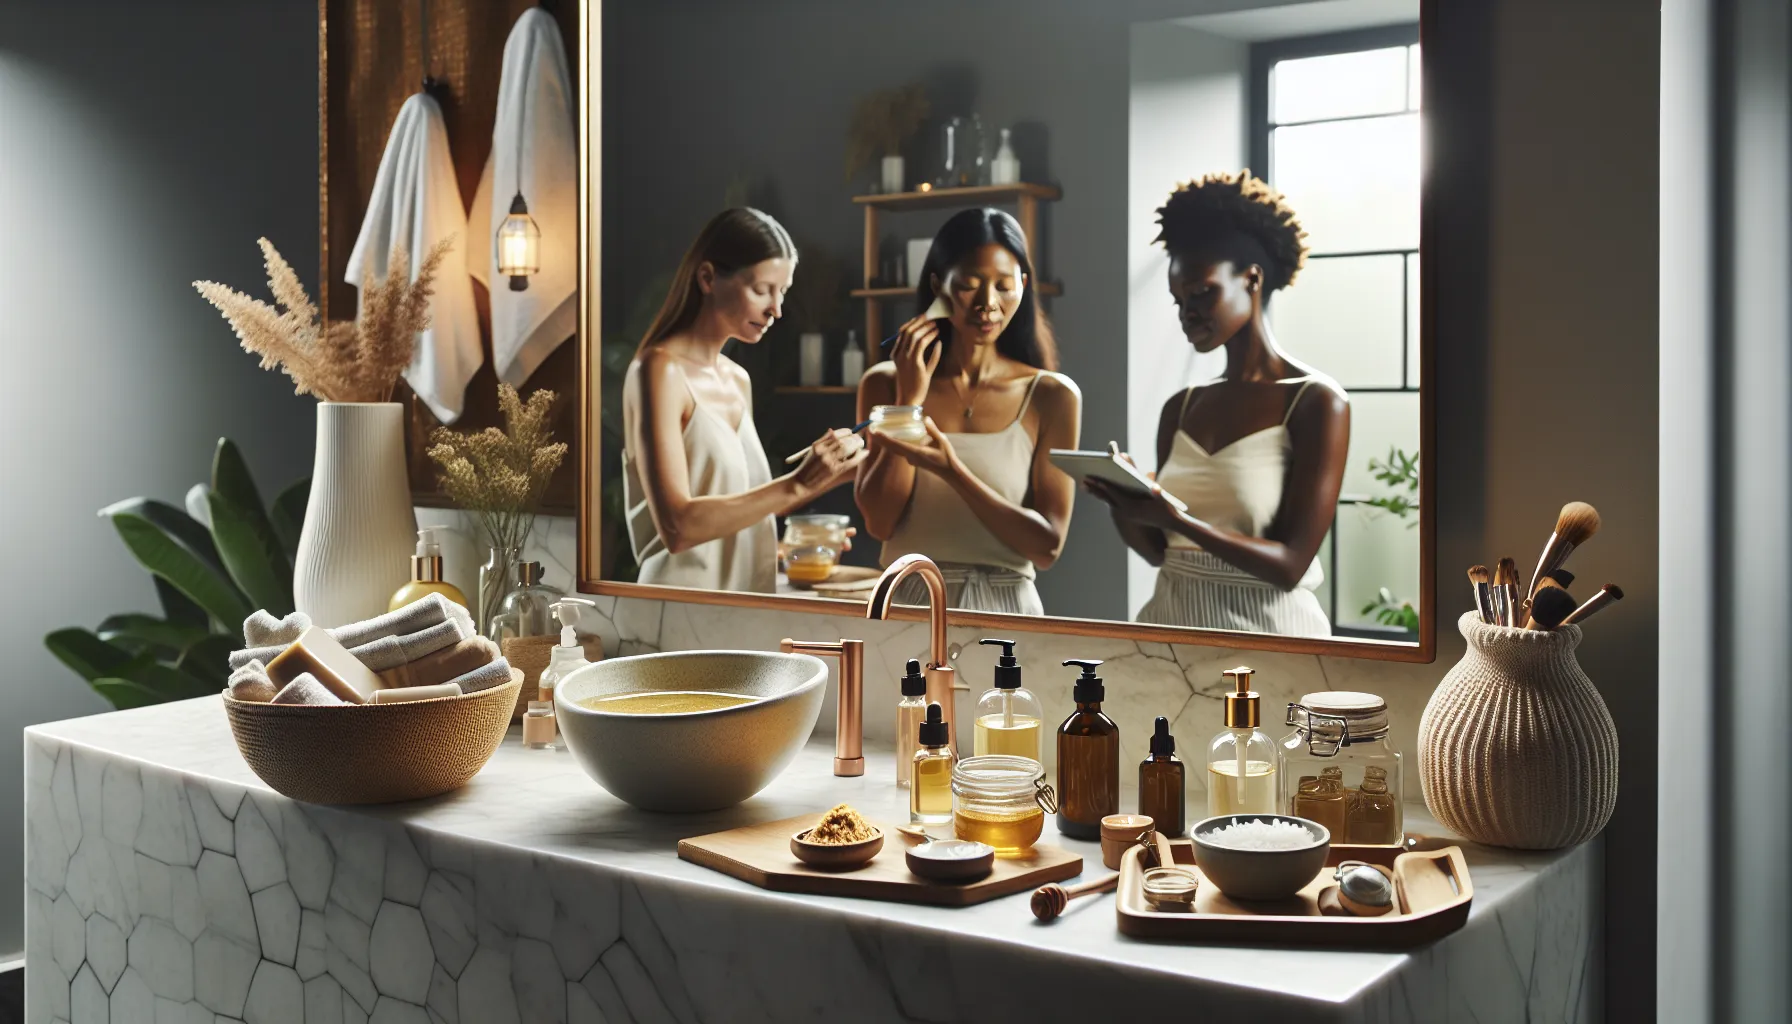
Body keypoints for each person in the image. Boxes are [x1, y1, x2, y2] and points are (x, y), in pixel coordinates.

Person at [1087, 172, 1348, 636]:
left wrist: (1177, 518)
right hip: (1169, 635)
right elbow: (1159, 551)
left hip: (1273, 641)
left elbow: (1290, 565)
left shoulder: (1316, 402)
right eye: (1178, 300)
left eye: (1202, 292)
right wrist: (1122, 502)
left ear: (1252, 279)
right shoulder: (1182, 407)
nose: (1188, 313)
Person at [622, 208, 864, 593]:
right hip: (677, 613)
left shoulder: (737, 380)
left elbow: (735, 506)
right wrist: (799, 484)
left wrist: (837, 472)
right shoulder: (660, 371)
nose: (776, 309)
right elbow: (678, 527)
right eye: (762, 289)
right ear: (708, 278)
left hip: (741, 611)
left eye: (782, 292)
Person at [855, 208, 1081, 615]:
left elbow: (1047, 546)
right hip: (908, 599)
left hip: (1007, 606)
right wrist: (909, 403)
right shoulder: (884, 384)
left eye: (1004, 286)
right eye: (969, 286)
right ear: (939, 286)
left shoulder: (1051, 396)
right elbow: (881, 523)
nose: (987, 304)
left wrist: (952, 470)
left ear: (1024, 286)